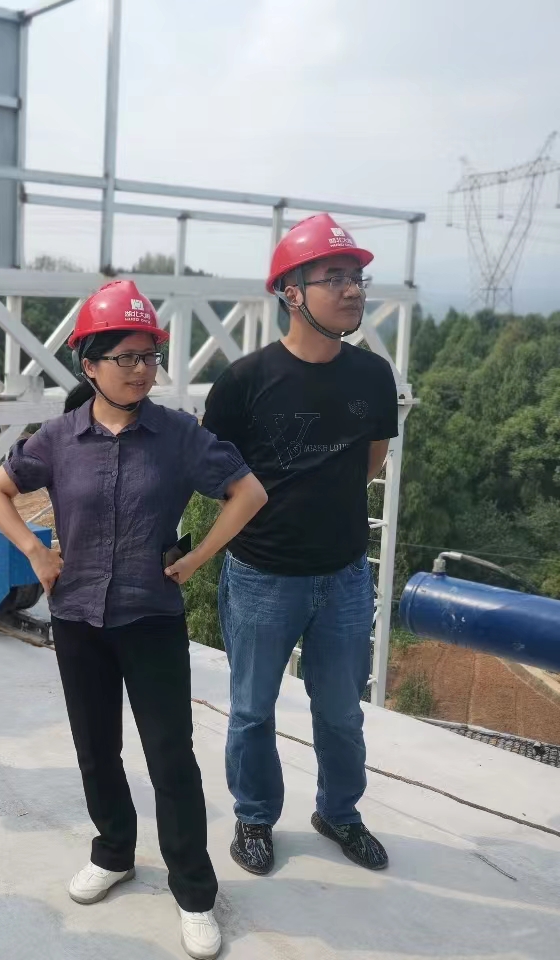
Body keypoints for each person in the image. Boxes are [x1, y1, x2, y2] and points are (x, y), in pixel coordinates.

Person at [0, 280, 268, 960]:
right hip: (77, 617)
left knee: (171, 758)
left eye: (149, 356)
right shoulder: (59, 439)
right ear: (90, 364)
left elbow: (248, 491)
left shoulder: (178, 435)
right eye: (126, 357)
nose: (141, 370)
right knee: (95, 748)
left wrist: (197, 557)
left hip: (151, 617)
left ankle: (193, 892)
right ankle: (113, 851)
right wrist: (35, 552)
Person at [202, 213, 399, 877]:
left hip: (343, 576)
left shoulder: (372, 376)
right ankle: (255, 816)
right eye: (334, 277)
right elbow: (217, 476)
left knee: (341, 712)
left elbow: (371, 458)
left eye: (357, 278)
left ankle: (339, 813)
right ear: (291, 292)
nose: (353, 289)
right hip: (263, 575)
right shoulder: (244, 381)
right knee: (252, 710)